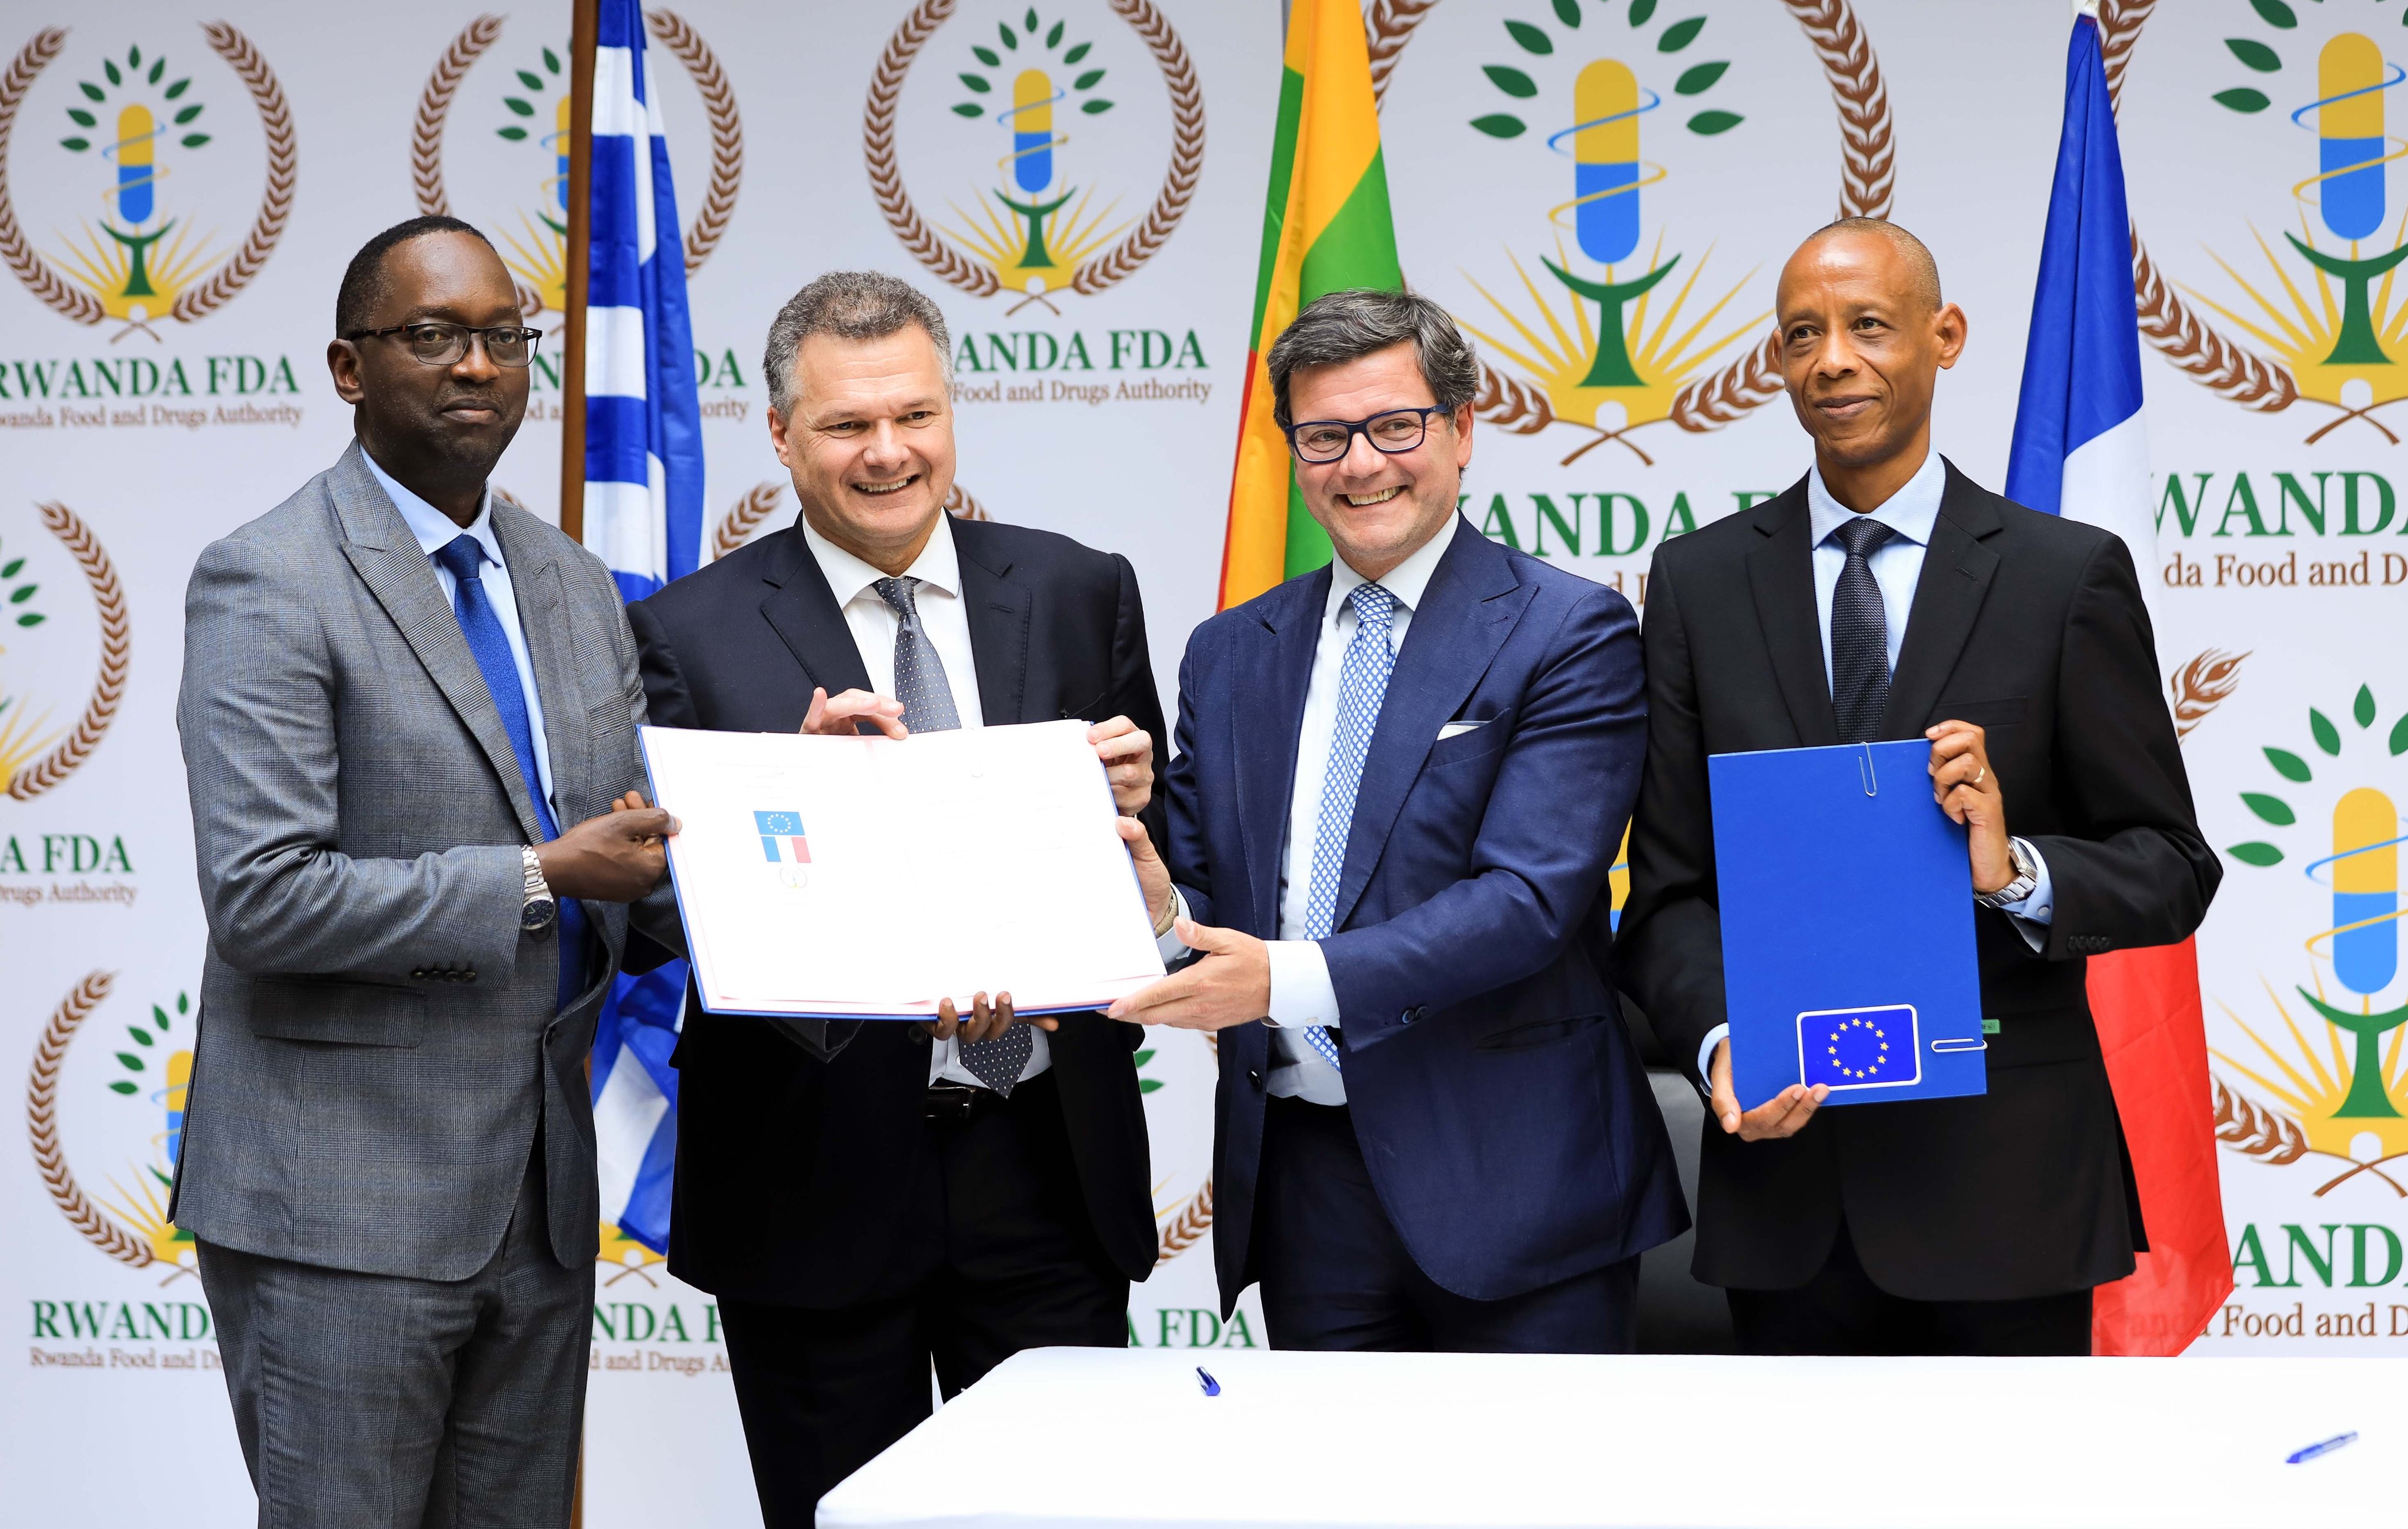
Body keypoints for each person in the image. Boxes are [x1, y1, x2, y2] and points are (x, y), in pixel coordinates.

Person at [1616, 218, 2221, 1355]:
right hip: (1788, 1196)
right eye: (1804, 334)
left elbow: (2173, 868)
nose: (1832, 358)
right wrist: (1713, 1045)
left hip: (2010, 1194)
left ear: (1944, 337)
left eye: (1868, 326)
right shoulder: (1696, 583)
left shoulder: (2063, 576)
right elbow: (1667, 895)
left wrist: (2014, 865)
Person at [628, 270, 1165, 1525]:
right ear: (779, 436)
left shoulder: (1081, 588)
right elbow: (648, 911)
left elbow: (1163, 864)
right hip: (812, 1186)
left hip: (1043, 1166)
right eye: (845, 424)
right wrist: (780, 813)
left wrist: (1136, 813)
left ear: (951, 415)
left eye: (914, 416)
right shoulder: (685, 632)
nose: (887, 453)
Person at [172, 214, 681, 1525]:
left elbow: (631, 858)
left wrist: (787, 812)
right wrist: (535, 874)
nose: (475, 367)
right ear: (350, 368)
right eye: (433, 336)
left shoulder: (572, 585)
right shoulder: (268, 578)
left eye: (504, 338)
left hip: (539, 1203)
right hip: (339, 1212)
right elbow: (266, 895)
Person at [1111, 288, 1687, 1353]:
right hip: (1305, 1185)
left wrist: (1281, 980)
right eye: (1324, 435)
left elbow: (1527, 900)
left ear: (1463, 430)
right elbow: (1200, 898)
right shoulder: (1231, 652)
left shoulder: (1570, 630)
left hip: (1518, 1181)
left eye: (1394, 426)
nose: (1361, 463)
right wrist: (1147, 893)